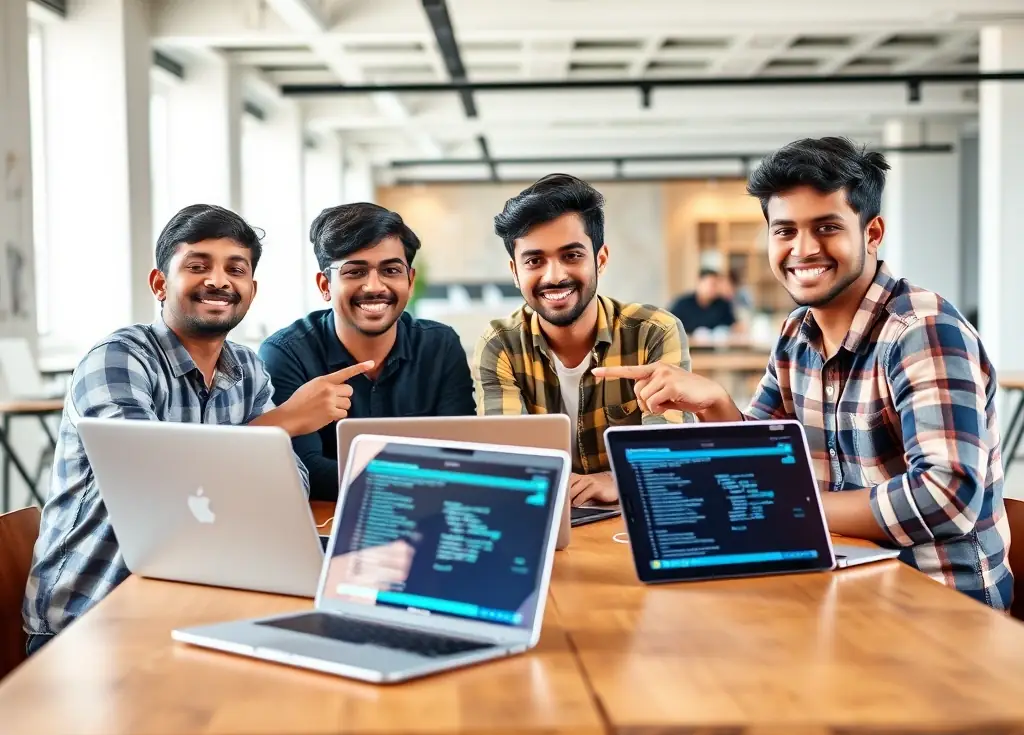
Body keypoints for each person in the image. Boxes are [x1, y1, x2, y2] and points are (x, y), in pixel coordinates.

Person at [594, 137, 1011, 610]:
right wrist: (715, 404)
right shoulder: (798, 333)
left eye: (827, 227)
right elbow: (760, 466)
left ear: (872, 233)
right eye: (785, 230)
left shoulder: (922, 330)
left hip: (937, 604)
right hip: (839, 584)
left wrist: (792, 506)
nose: (803, 249)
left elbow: (948, 496)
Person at [23, 204, 353, 653]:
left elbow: (288, 481)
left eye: (235, 269)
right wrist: (283, 421)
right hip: (91, 618)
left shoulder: (247, 368)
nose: (218, 280)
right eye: (197, 266)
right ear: (160, 283)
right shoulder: (119, 358)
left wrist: (267, 446)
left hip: (198, 599)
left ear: (251, 291)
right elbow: (149, 483)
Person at [473, 173, 691, 507]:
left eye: (572, 255)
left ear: (600, 260)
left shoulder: (653, 332)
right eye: (534, 261)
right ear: (515, 272)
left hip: (628, 515)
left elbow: (670, 458)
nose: (555, 276)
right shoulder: (500, 344)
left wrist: (615, 479)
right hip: (541, 512)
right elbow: (508, 465)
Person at [259, 203, 474, 501]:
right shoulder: (286, 353)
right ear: (325, 285)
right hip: (327, 524)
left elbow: (462, 454)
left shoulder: (440, 345)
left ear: (410, 281)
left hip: (424, 519)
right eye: (355, 271)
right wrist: (421, 479)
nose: (374, 286)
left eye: (391, 270)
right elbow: (305, 468)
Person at [669, 269, 737, 335]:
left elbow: (733, 326)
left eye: (717, 285)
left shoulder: (723, 304)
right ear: (699, 282)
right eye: (711, 284)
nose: (714, 288)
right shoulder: (682, 304)